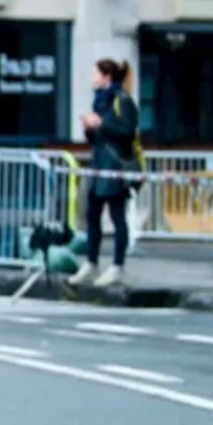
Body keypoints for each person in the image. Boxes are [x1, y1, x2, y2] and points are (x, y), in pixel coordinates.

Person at [72, 58, 141, 289]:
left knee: (117, 216)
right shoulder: (99, 101)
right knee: (92, 215)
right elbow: (99, 137)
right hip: (99, 163)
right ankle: (91, 262)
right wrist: (89, 129)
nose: (92, 78)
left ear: (106, 77)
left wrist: (100, 124)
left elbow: (127, 131)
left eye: (95, 74)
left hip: (115, 167)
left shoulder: (123, 100)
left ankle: (117, 266)